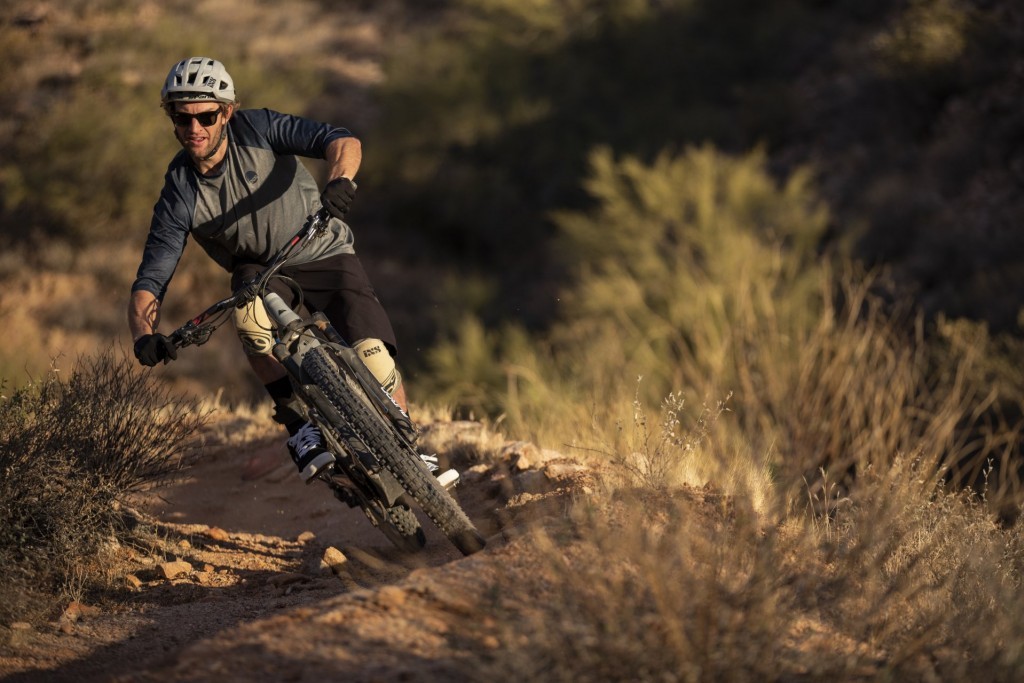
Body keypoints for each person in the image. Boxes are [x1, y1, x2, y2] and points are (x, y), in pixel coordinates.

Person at [129, 56, 420, 483]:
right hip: (261, 272)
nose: (194, 128)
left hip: (322, 248)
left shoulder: (258, 129)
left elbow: (341, 140)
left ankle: (410, 449)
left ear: (227, 112)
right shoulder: (180, 191)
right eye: (182, 117)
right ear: (171, 118)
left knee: (373, 356)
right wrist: (144, 336)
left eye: (206, 116)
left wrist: (341, 181)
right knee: (249, 321)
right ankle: (300, 427)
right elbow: (152, 278)